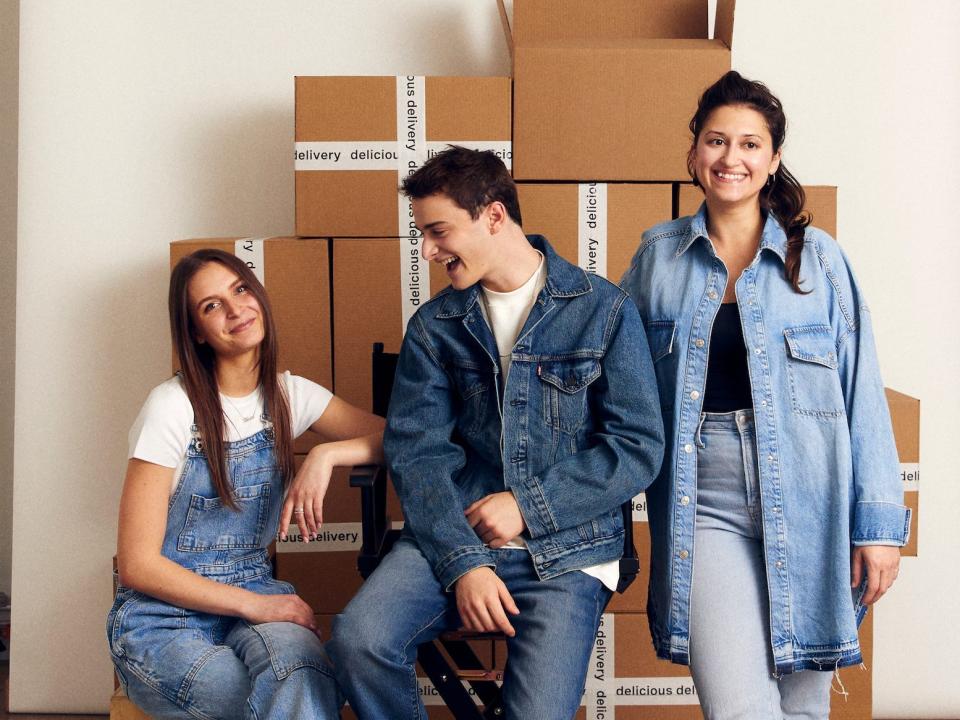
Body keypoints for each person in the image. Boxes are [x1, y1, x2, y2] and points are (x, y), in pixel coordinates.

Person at [328, 146, 664, 719]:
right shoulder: (435, 326)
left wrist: (528, 507)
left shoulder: (603, 310)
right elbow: (417, 453)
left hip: (568, 552)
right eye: (423, 236)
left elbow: (638, 448)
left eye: (438, 232)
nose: (429, 252)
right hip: (454, 535)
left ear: (493, 214)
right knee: (358, 640)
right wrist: (465, 563)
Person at [620, 71, 910, 718]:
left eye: (750, 145)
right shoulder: (656, 259)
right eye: (717, 142)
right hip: (703, 500)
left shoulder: (821, 262)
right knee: (740, 709)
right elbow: (617, 384)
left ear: (773, 158)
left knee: (804, 709)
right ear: (695, 152)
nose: (732, 159)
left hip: (813, 501)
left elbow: (862, 393)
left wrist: (879, 527)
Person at [106, 248, 384, 719]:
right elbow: (136, 565)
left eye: (240, 289)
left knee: (305, 679)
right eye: (212, 305)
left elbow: (402, 439)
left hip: (257, 592)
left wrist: (327, 452)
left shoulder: (290, 396)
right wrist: (255, 606)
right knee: (260, 697)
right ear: (196, 332)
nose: (236, 309)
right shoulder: (172, 408)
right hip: (161, 618)